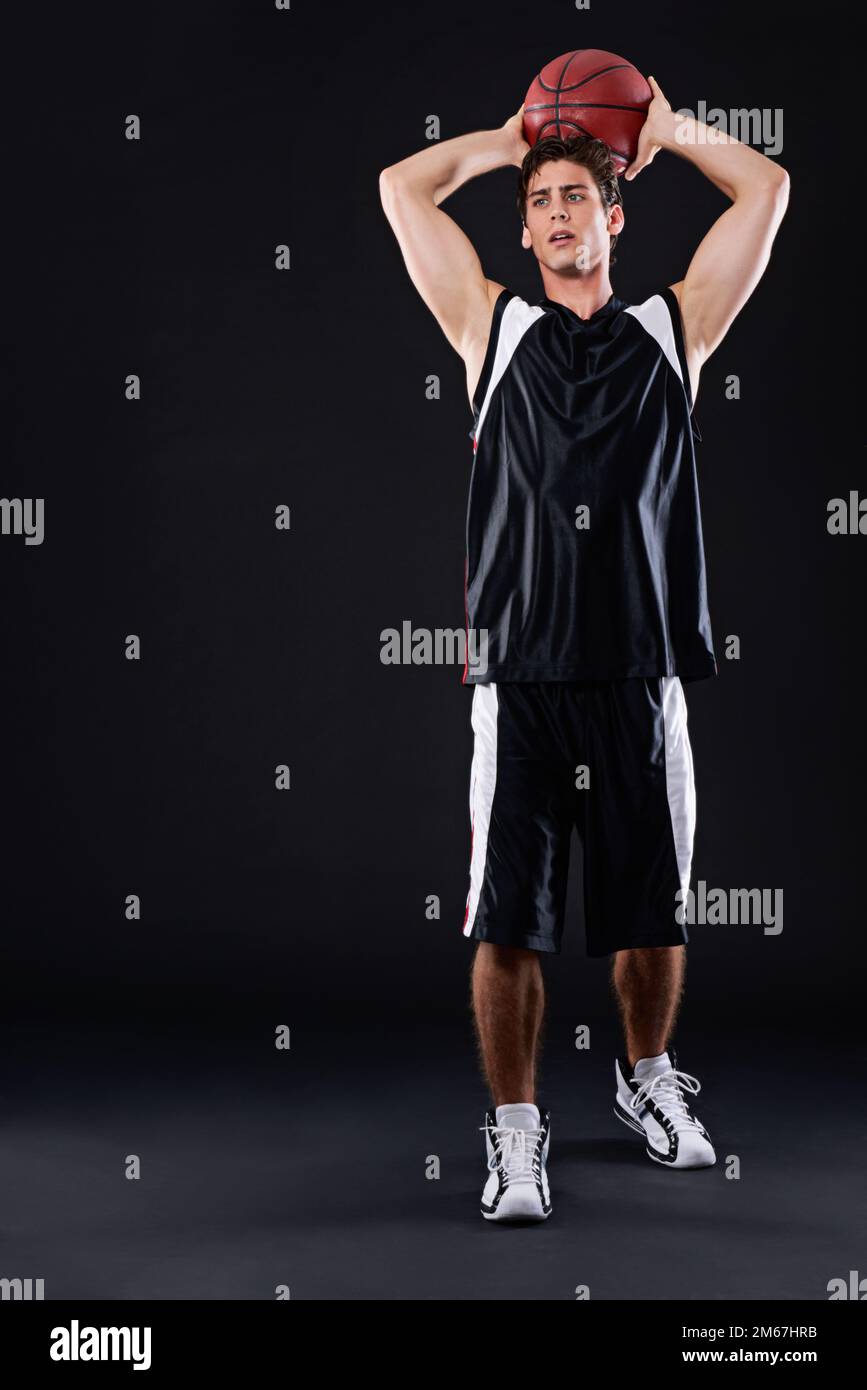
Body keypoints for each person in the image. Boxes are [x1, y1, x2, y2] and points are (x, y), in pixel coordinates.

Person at [379, 76, 789, 1221]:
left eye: (580, 197)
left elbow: (769, 186)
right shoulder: (490, 329)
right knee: (506, 920)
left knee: (652, 913)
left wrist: (664, 131)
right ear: (523, 226)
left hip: (639, 674)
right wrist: (507, 139)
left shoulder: (674, 328)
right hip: (519, 678)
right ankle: (516, 1132)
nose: (560, 213)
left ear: (616, 218)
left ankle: (647, 1079)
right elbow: (402, 188)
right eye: (542, 199)